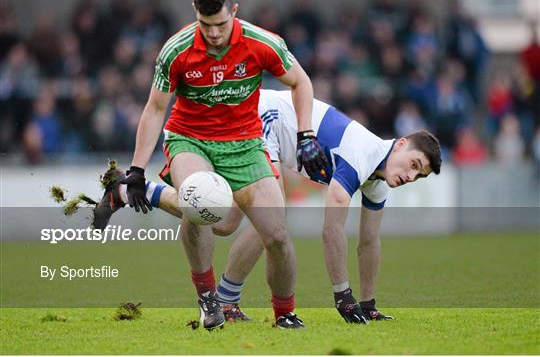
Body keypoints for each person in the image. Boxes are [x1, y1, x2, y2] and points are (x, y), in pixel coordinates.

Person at [93, 0, 328, 330]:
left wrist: (306, 135)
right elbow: (156, 109)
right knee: (203, 204)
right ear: (195, 14)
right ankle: (209, 301)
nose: (214, 33)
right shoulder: (177, 49)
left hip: (246, 143)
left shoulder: (262, 42)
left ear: (233, 11)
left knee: (274, 235)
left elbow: (301, 82)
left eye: (220, 24)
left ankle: (285, 314)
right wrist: (138, 168)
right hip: (190, 138)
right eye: (206, 25)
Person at [93, 88, 441, 325]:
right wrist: (342, 297)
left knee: (224, 221)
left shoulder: (379, 179)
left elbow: (369, 243)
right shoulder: (361, 153)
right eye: (413, 164)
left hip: (268, 127)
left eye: (419, 175)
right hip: (260, 118)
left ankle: (127, 192)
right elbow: (332, 229)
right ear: (402, 144)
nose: (411, 175)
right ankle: (229, 301)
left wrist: (368, 305)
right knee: (272, 221)